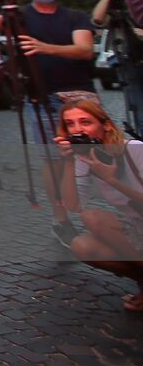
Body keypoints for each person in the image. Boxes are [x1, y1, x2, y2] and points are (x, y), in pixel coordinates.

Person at [0, 0, 96, 245]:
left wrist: (45, 47)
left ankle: (116, 212)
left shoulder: (75, 17)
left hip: (79, 96)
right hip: (39, 97)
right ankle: (61, 220)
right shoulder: (17, 16)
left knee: (95, 157)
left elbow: (85, 49)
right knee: (53, 161)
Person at [55, 99, 143, 311]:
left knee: (93, 218)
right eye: (70, 124)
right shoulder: (84, 159)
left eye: (85, 122)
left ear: (106, 126)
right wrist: (68, 162)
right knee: (83, 243)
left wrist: (112, 181)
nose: (78, 130)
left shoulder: (136, 149)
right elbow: (73, 206)